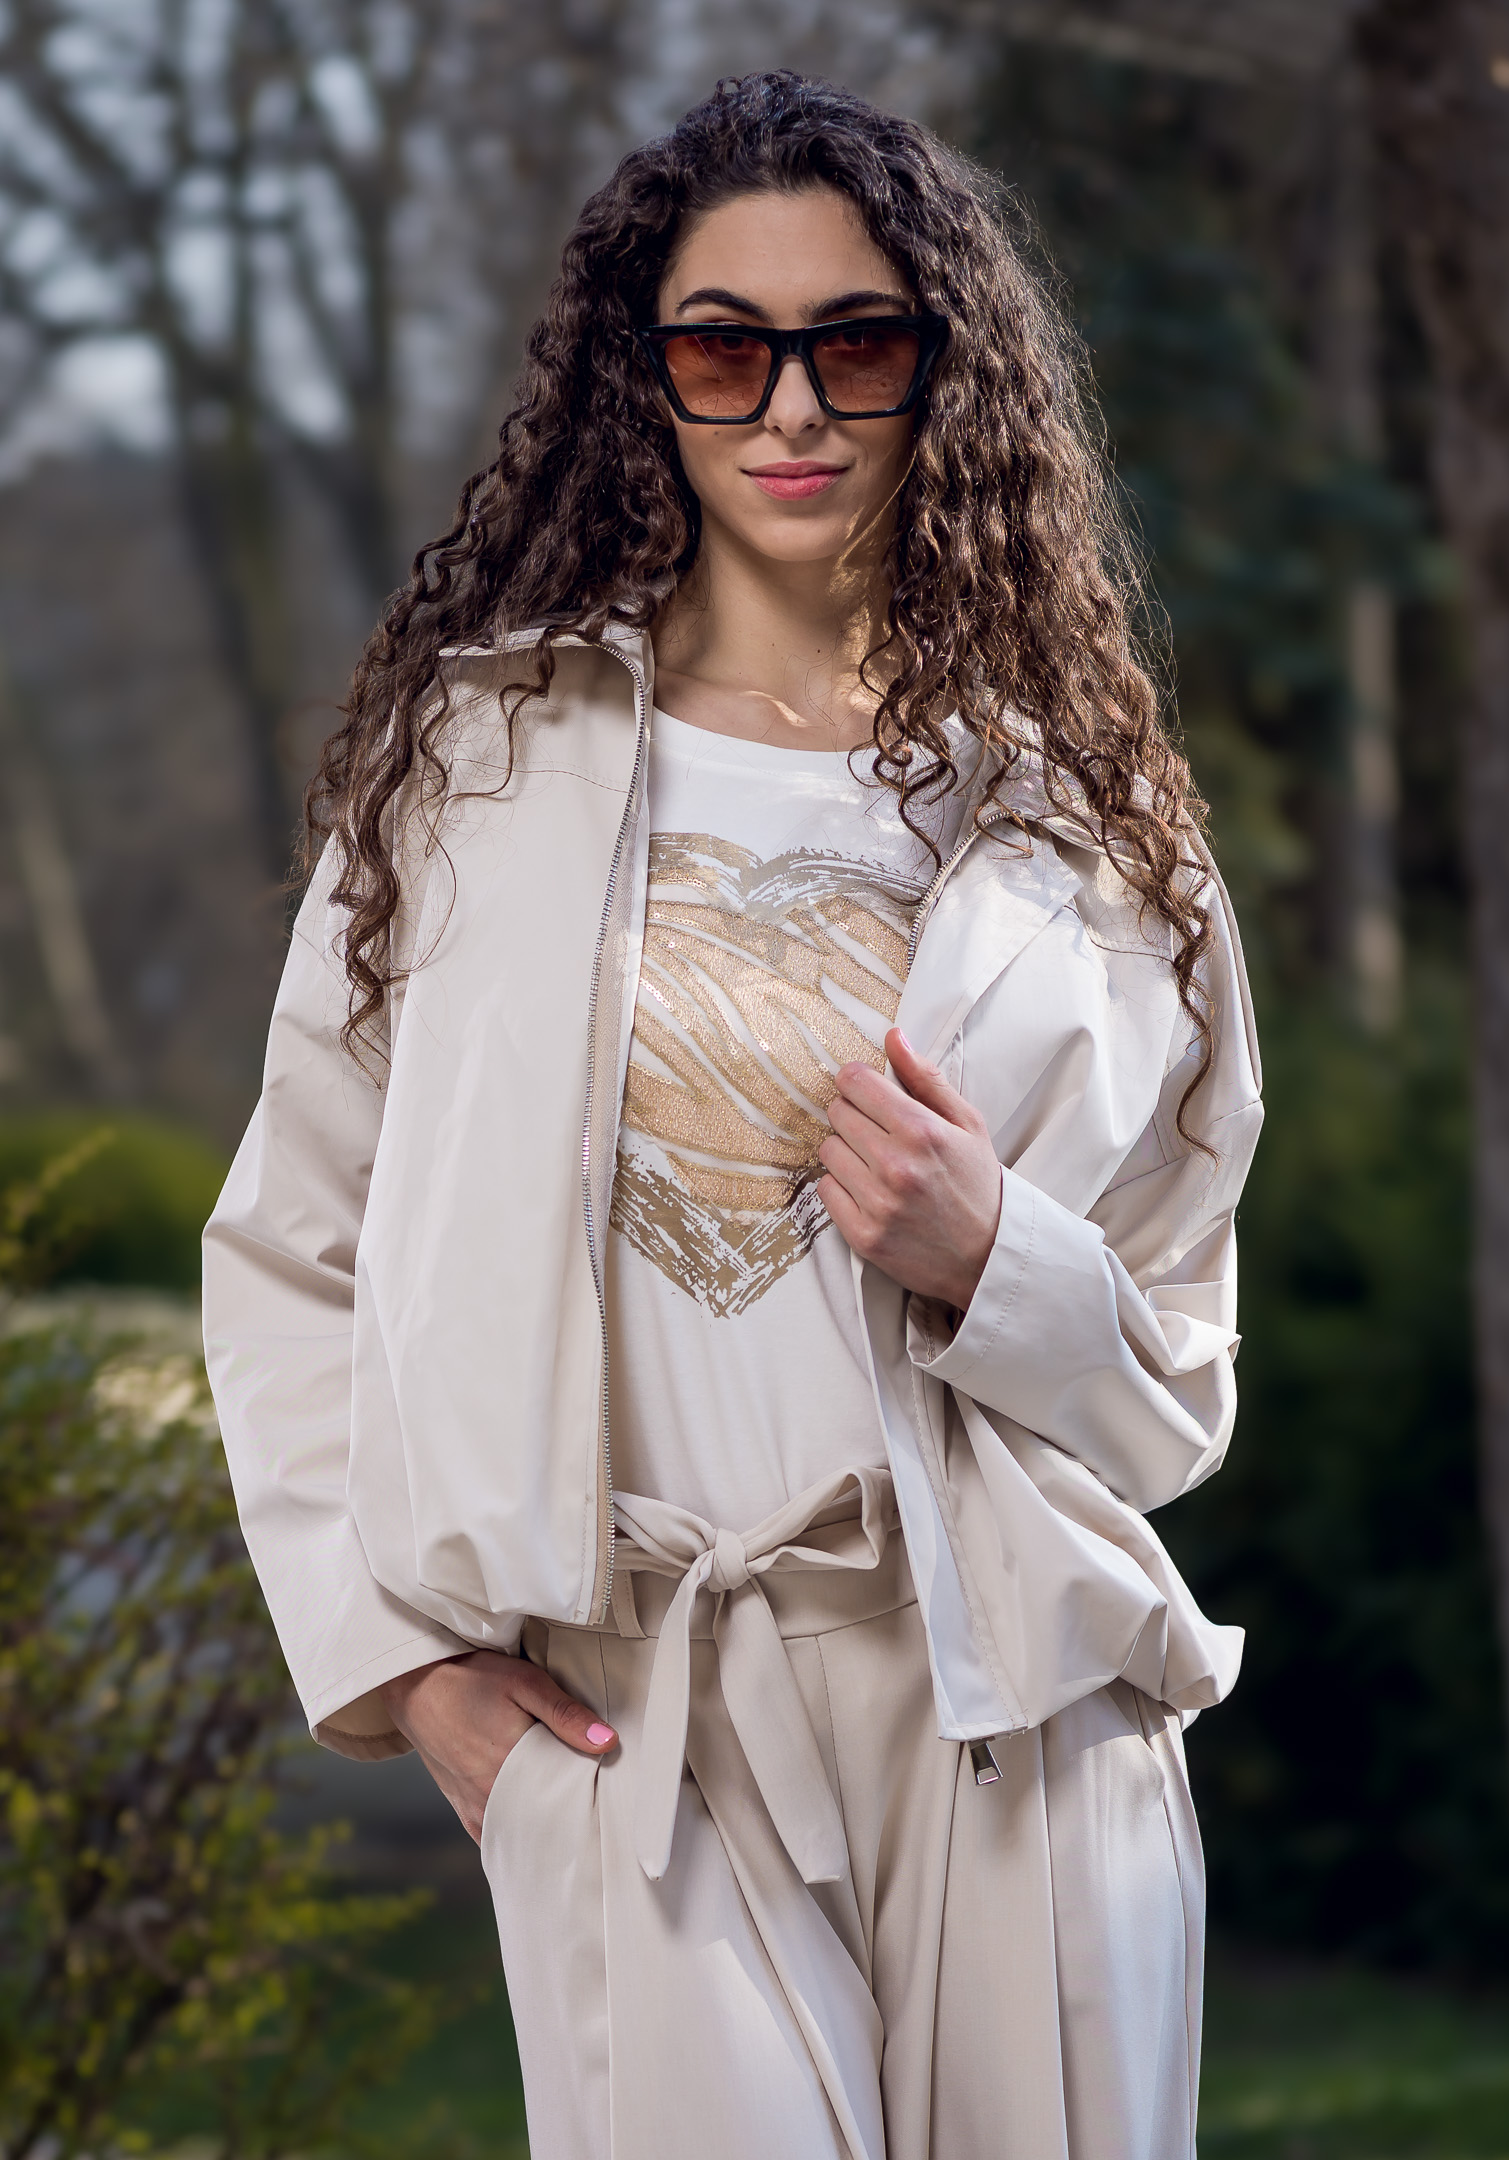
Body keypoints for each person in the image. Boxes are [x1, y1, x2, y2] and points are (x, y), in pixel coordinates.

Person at [202, 68, 1261, 2160]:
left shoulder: (1091, 827)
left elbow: (1175, 1390)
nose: (792, 408)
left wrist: (995, 1260)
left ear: (942, 376)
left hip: (1020, 1705)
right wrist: (416, 1679)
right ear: (645, 377)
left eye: (856, 345)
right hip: (637, 1718)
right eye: (724, 348)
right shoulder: (469, 771)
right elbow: (294, 1251)